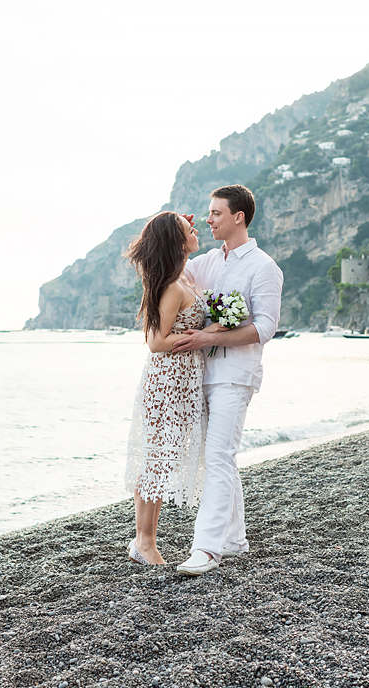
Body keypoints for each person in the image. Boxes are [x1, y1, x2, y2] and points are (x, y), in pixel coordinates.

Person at [171, 184, 283, 576]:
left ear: (239, 216)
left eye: (216, 213)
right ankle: (235, 539)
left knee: (218, 456)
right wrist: (176, 234)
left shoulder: (264, 267)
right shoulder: (206, 263)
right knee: (219, 457)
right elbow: (170, 275)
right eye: (206, 213)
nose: (209, 219)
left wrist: (210, 336)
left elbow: (266, 327)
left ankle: (207, 547)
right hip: (202, 373)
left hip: (236, 374)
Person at [123, 211, 225, 565]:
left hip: (184, 382)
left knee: (164, 461)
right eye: (188, 229)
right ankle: (143, 542)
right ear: (177, 241)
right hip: (165, 383)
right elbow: (154, 342)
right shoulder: (171, 286)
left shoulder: (186, 278)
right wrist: (201, 336)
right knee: (156, 460)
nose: (195, 230)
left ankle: (145, 540)